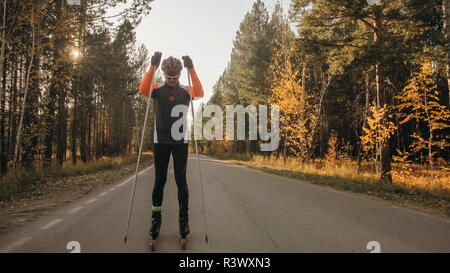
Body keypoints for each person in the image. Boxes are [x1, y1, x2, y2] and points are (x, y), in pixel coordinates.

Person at [139, 52, 204, 242]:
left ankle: (184, 220)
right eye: (169, 77)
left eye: (175, 78)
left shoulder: (185, 90)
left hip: (180, 142)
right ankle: (155, 219)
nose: (172, 81)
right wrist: (152, 66)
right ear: (164, 75)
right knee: (159, 181)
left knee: (180, 181)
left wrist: (191, 68)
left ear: (180, 76)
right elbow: (143, 90)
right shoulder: (157, 88)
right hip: (161, 142)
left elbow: (200, 93)